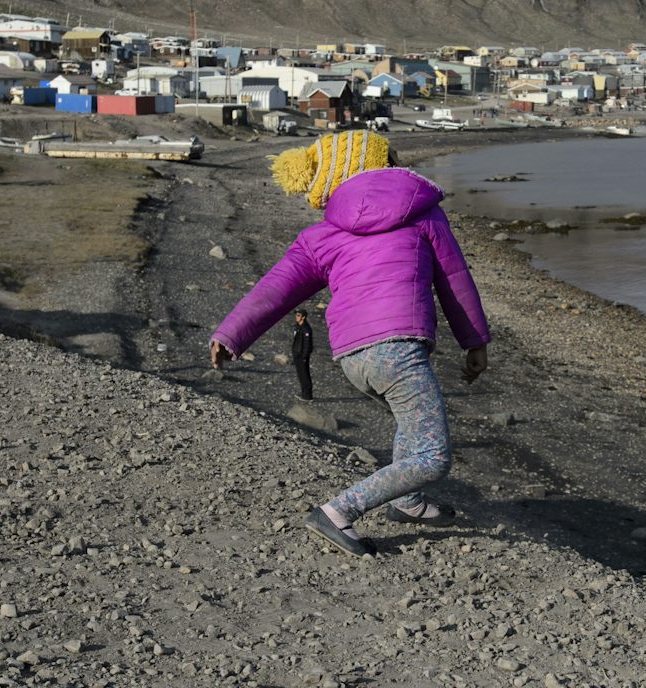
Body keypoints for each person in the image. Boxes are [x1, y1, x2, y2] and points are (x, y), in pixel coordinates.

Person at [210, 131, 490, 557]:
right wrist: (475, 341)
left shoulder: (321, 235)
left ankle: (406, 501)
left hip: (351, 357)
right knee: (433, 456)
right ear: (388, 166)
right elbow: (454, 280)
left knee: (409, 420)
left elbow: (275, 290)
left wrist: (232, 334)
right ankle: (337, 512)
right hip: (397, 349)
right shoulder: (424, 213)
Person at [290, 310, 316, 401]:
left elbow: (307, 344)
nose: (296, 317)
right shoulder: (298, 327)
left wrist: (304, 356)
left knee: (305, 375)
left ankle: (307, 395)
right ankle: (304, 393)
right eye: (296, 315)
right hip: (297, 353)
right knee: (301, 375)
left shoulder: (306, 329)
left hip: (302, 355)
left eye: (298, 315)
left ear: (303, 317)